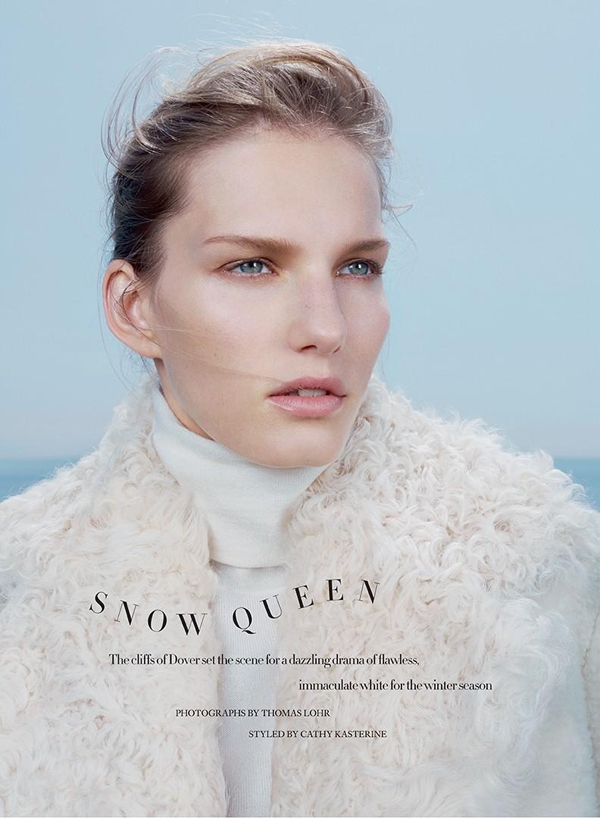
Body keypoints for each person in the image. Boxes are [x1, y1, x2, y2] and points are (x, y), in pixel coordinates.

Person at [1, 38, 599, 818]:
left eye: (358, 267)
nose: (326, 328)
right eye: (251, 265)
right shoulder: (18, 583)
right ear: (133, 307)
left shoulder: (542, 567)